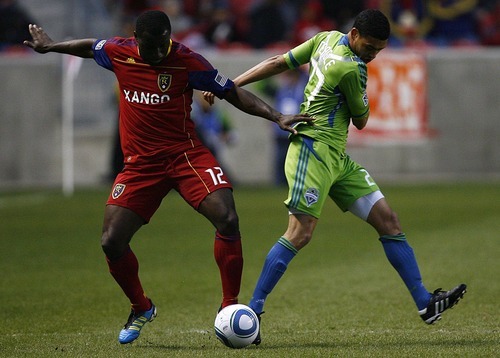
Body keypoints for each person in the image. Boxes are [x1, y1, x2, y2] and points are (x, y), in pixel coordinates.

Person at [23, 10, 312, 345]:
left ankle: (229, 308)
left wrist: (276, 116)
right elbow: (89, 47)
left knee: (228, 218)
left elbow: (231, 91)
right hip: (140, 166)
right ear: (137, 40)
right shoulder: (119, 51)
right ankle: (141, 307)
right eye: (152, 48)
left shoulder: (188, 61)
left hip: (185, 155)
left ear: (170, 37)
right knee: (111, 241)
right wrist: (52, 45)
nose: (159, 53)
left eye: (164, 45)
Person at [204, 9, 466, 345]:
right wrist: (358, 94)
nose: (373, 55)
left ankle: (425, 304)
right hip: (311, 153)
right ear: (355, 34)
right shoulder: (350, 67)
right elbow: (362, 120)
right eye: (370, 47)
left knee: (388, 220)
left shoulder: (325, 39)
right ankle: (252, 313)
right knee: (300, 233)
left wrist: (232, 83)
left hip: (336, 158)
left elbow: (280, 61)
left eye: (379, 50)